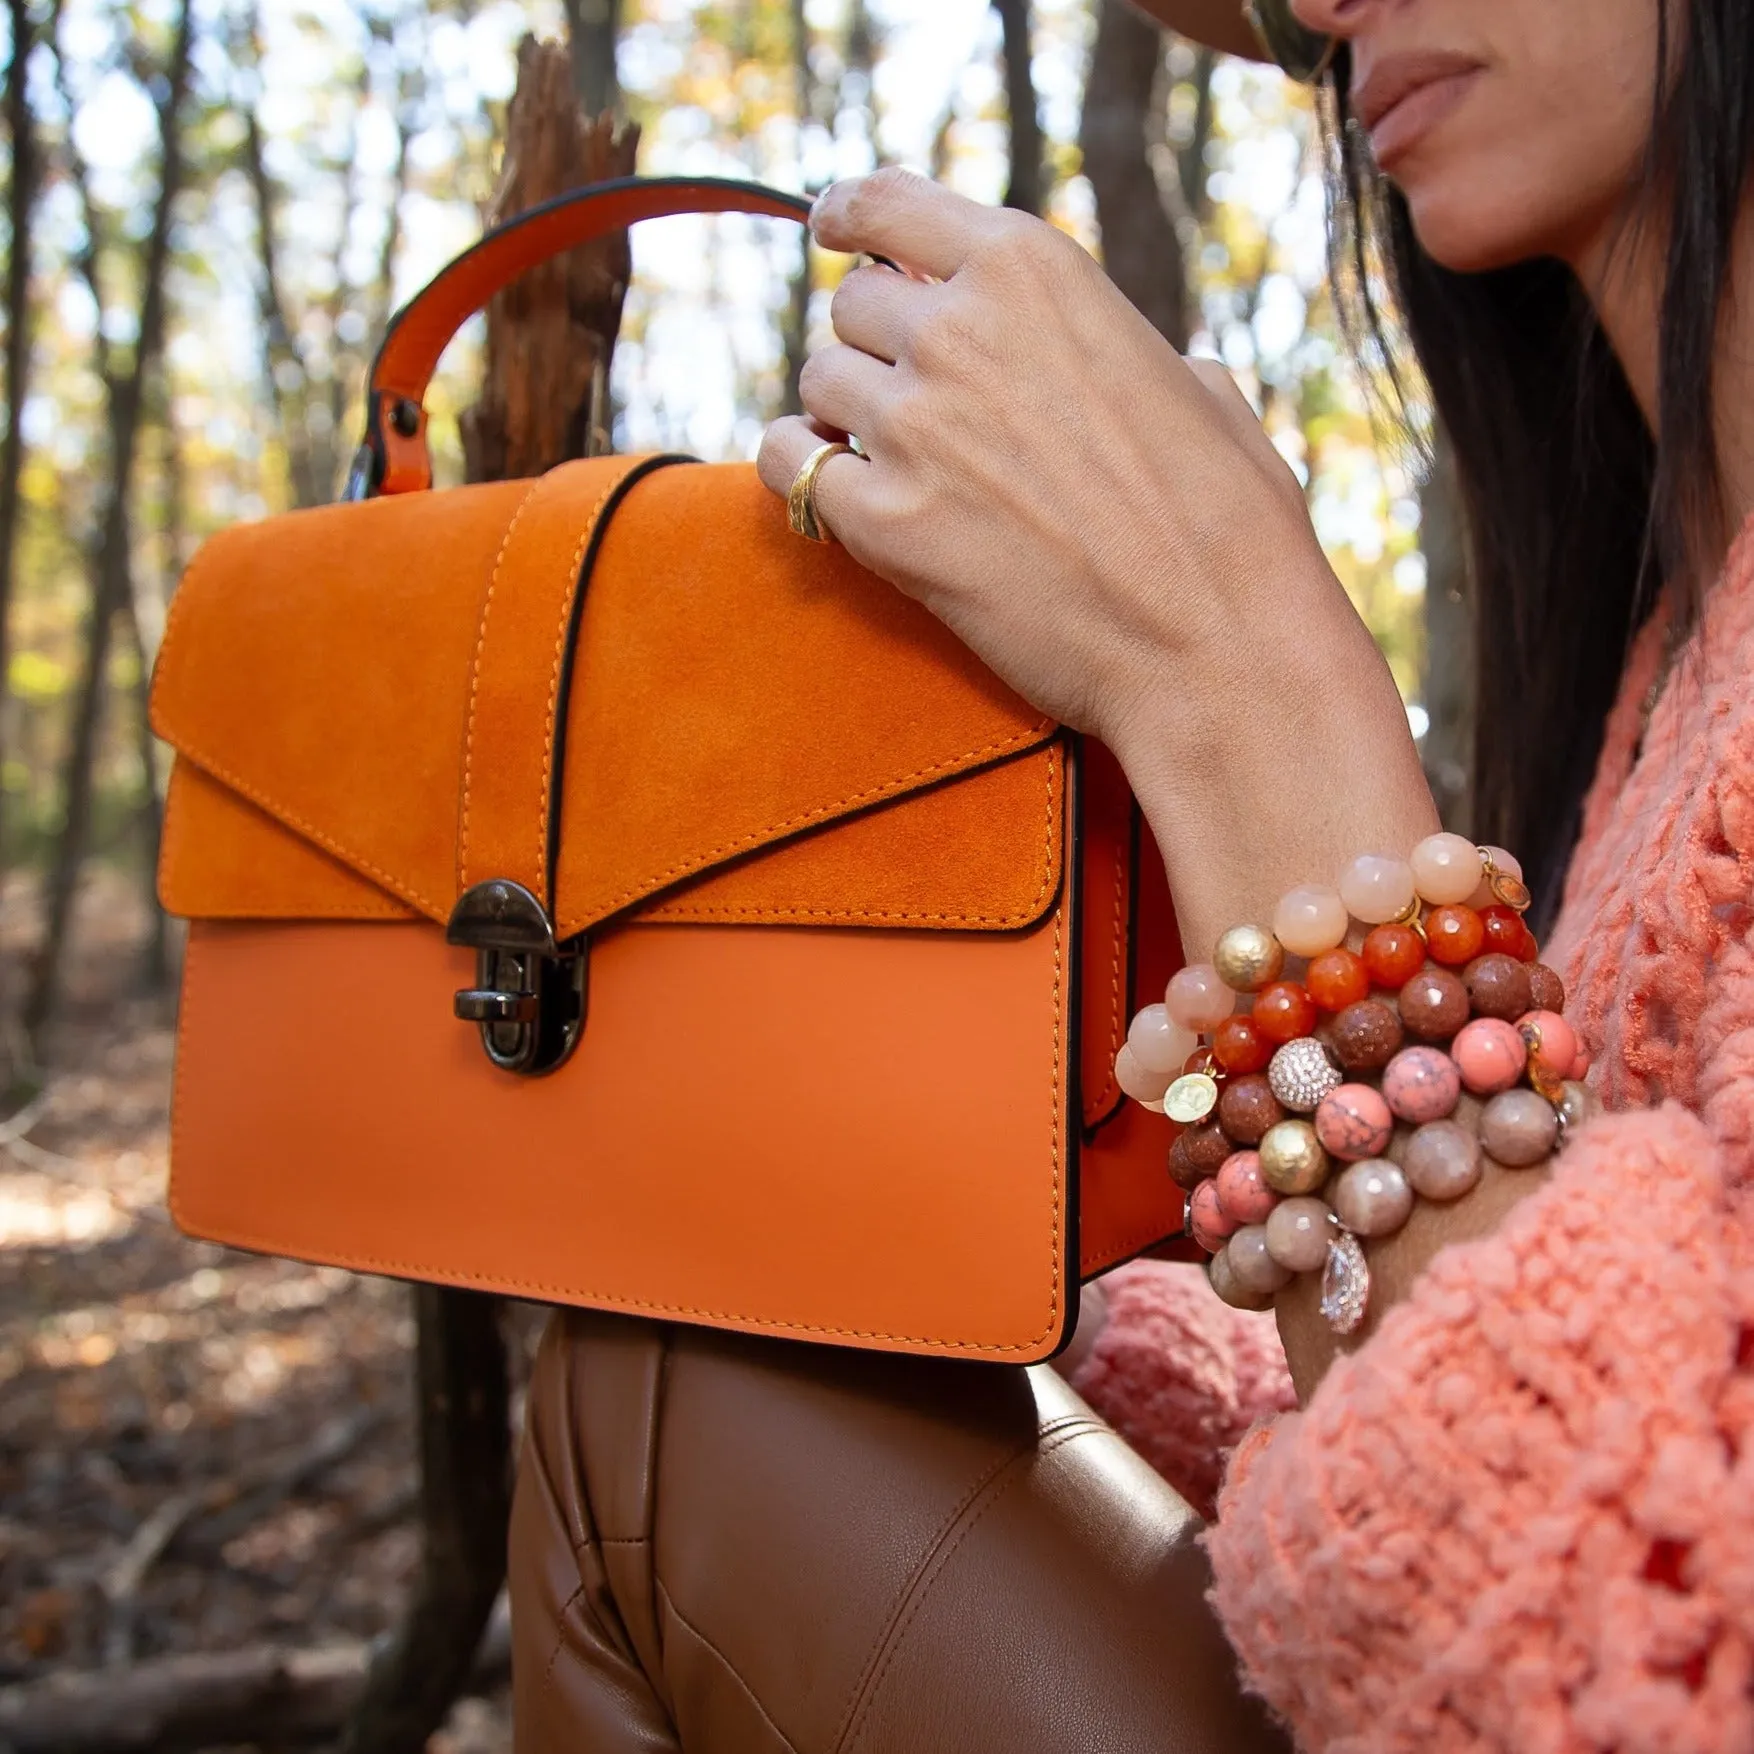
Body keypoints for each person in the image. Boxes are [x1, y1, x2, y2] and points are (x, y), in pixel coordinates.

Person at [509, 0, 1754, 1747]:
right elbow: (1475, 1294)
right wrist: (1042, 1326)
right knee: (689, 1362)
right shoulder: (1654, 659)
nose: (1317, 8)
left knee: (649, 1414)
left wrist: (1224, 650)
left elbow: (1677, 1639)